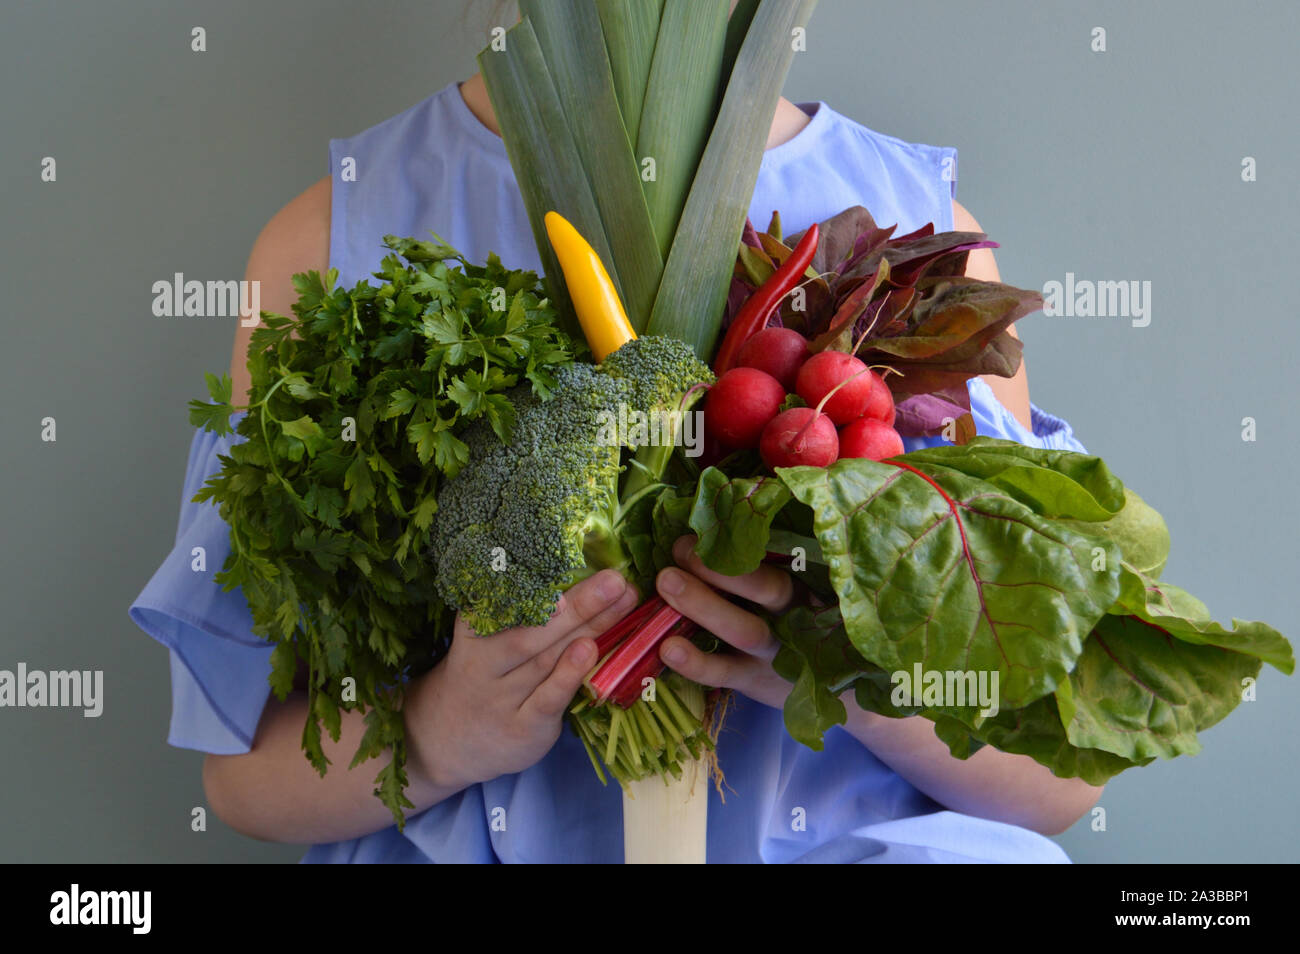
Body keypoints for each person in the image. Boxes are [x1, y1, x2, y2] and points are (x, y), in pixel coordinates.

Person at [130, 35, 1103, 863]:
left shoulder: (924, 247)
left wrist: (852, 682)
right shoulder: (328, 237)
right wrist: (439, 733)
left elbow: (1055, 782)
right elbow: (245, 775)